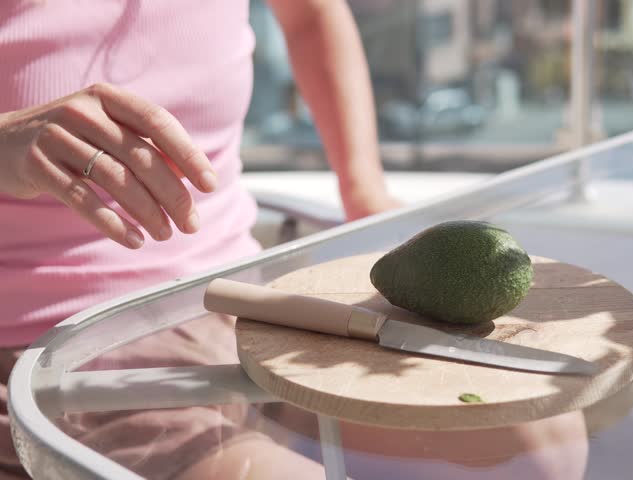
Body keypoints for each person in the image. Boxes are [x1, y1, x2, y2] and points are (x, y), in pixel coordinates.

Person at [0, 1, 588, 479]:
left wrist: (364, 193)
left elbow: (309, 16)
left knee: (542, 440)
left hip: (239, 296)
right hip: (45, 345)